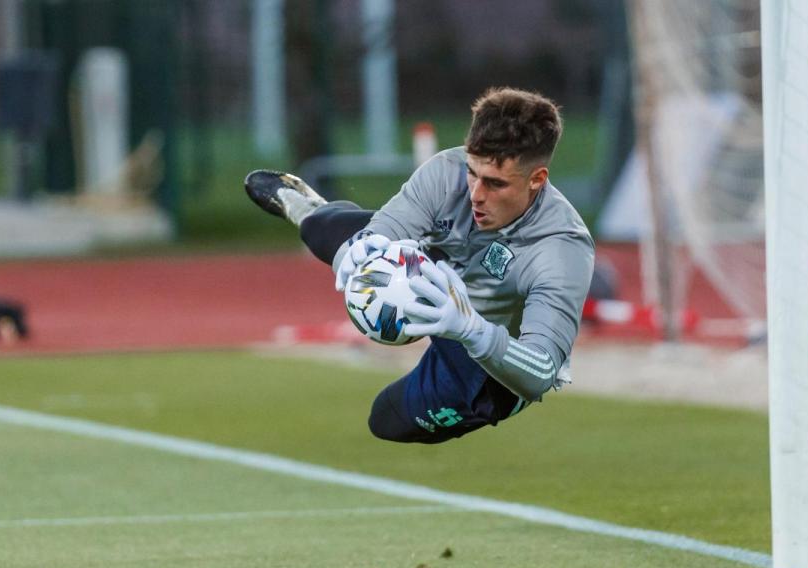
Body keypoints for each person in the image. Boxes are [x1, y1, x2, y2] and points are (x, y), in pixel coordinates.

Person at [244, 87, 594, 444]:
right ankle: (310, 210)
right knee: (326, 233)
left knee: (387, 419)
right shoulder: (446, 171)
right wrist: (365, 248)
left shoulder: (561, 250)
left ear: (537, 179)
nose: (475, 193)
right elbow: (389, 227)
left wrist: (472, 330)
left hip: (491, 360)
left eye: (495, 183)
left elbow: (542, 370)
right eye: (473, 172)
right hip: (435, 270)